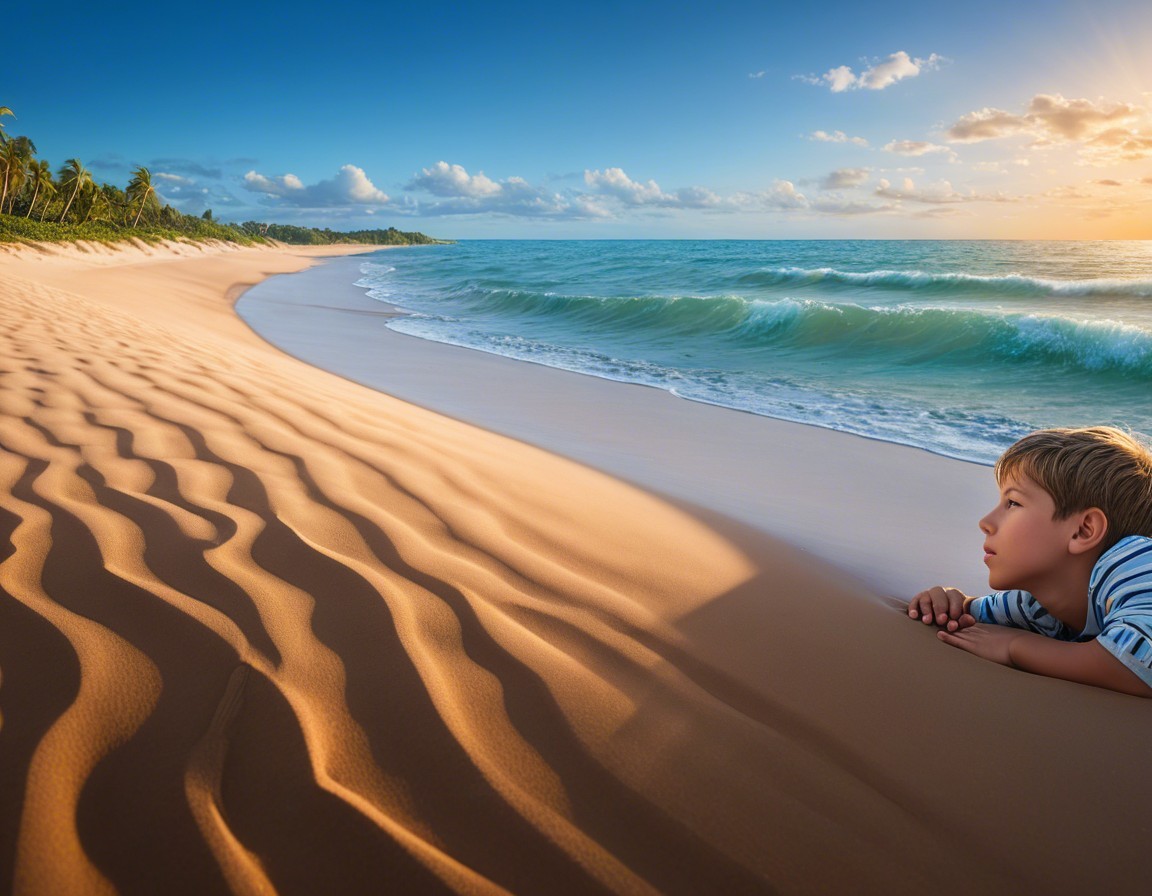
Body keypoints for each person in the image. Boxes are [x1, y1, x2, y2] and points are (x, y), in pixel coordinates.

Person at [907, 426, 1152, 697]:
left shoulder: (1137, 563)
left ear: (1083, 530)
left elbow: (1136, 665)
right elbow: (974, 611)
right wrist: (951, 601)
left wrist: (1016, 647)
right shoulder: (1039, 604)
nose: (986, 523)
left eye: (1012, 503)